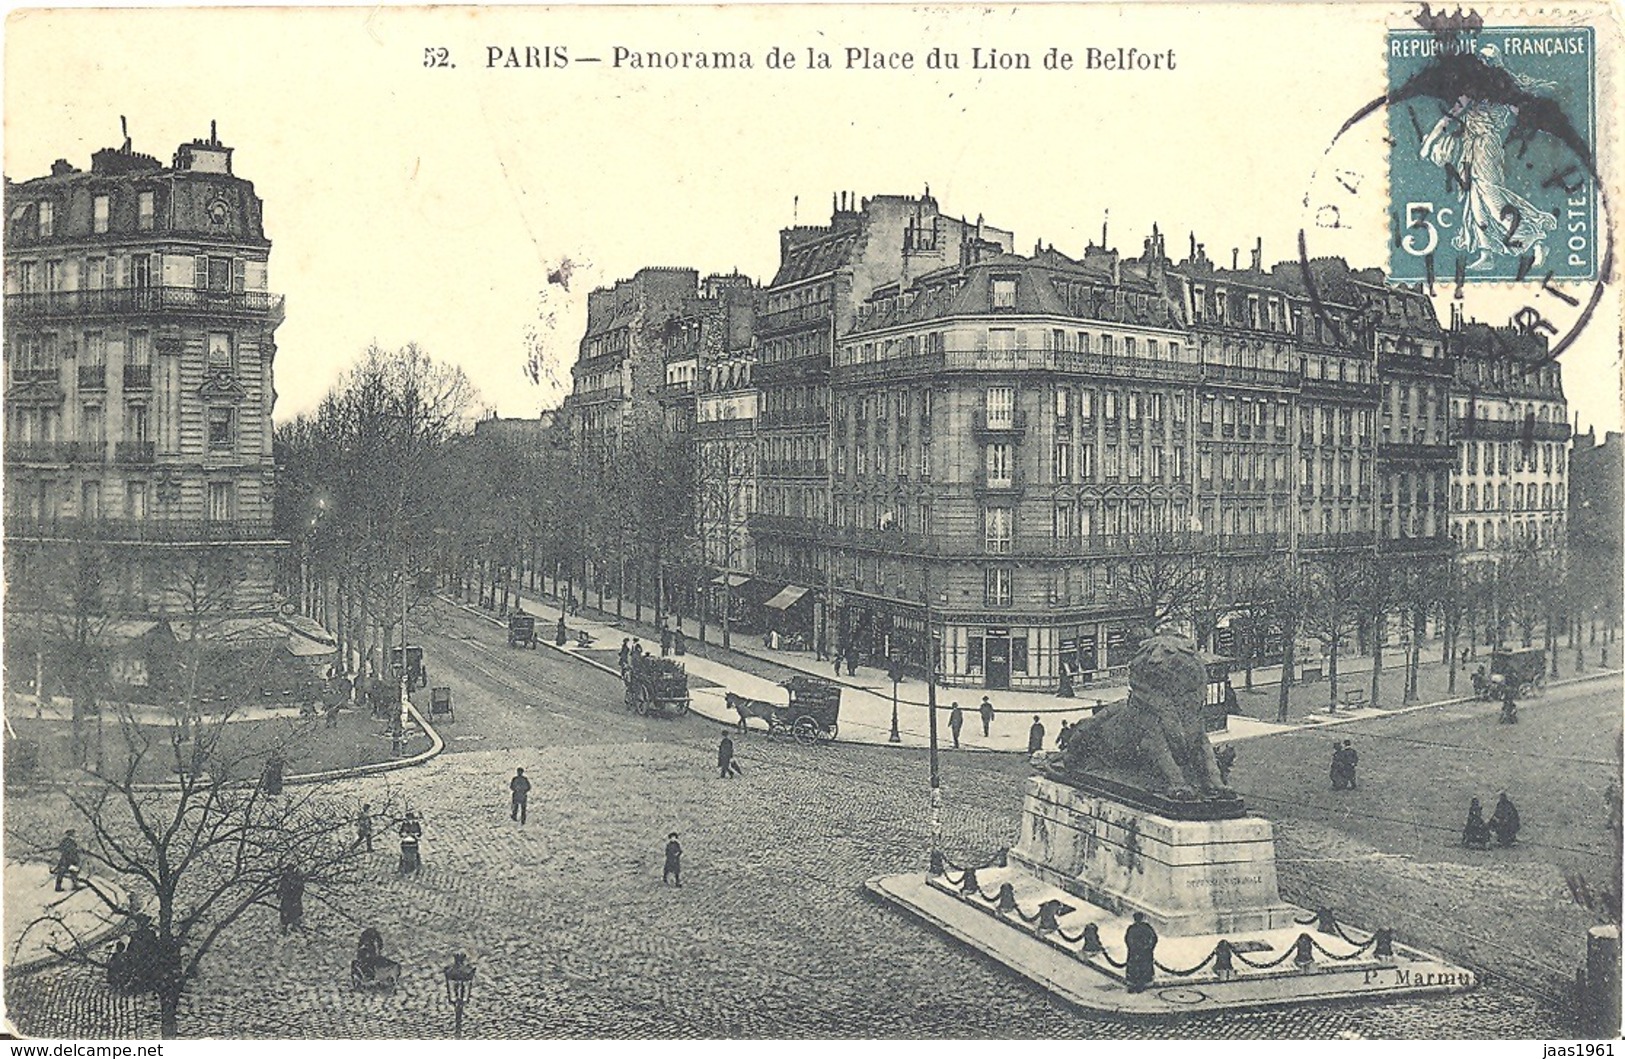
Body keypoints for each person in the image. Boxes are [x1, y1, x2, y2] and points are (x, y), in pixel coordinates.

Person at [1124, 912, 1158, 993]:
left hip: (1135, 953)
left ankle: (1133, 986)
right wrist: (1148, 948)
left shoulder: (1132, 928)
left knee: (1135, 969)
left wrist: (1133, 948)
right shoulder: (1147, 928)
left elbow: (1127, 940)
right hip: (1143, 953)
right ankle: (1140, 985)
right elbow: (1154, 939)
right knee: (1142, 969)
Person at [277, 865, 305, 934]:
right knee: (285, 913)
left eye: (290, 870)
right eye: (288, 870)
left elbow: (300, 889)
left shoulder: (297, 879)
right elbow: (281, 887)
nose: (289, 872)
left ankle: (295, 926)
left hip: (294, 899)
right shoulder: (284, 879)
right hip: (286, 899)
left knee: (295, 913)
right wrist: (279, 894)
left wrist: (296, 897)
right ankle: (284, 928)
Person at [399, 810, 423, 875]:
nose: (409, 820)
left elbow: (420, 833)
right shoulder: (404, 824)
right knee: (405, 855)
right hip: (406, 842)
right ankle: (404, 867)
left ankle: (416, 866)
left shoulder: (416, 824)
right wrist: (404, 834)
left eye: (410, 819)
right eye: (408, 819)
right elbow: (400, 833)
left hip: (413, 842)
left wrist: (415, 834)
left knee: (414, 854)